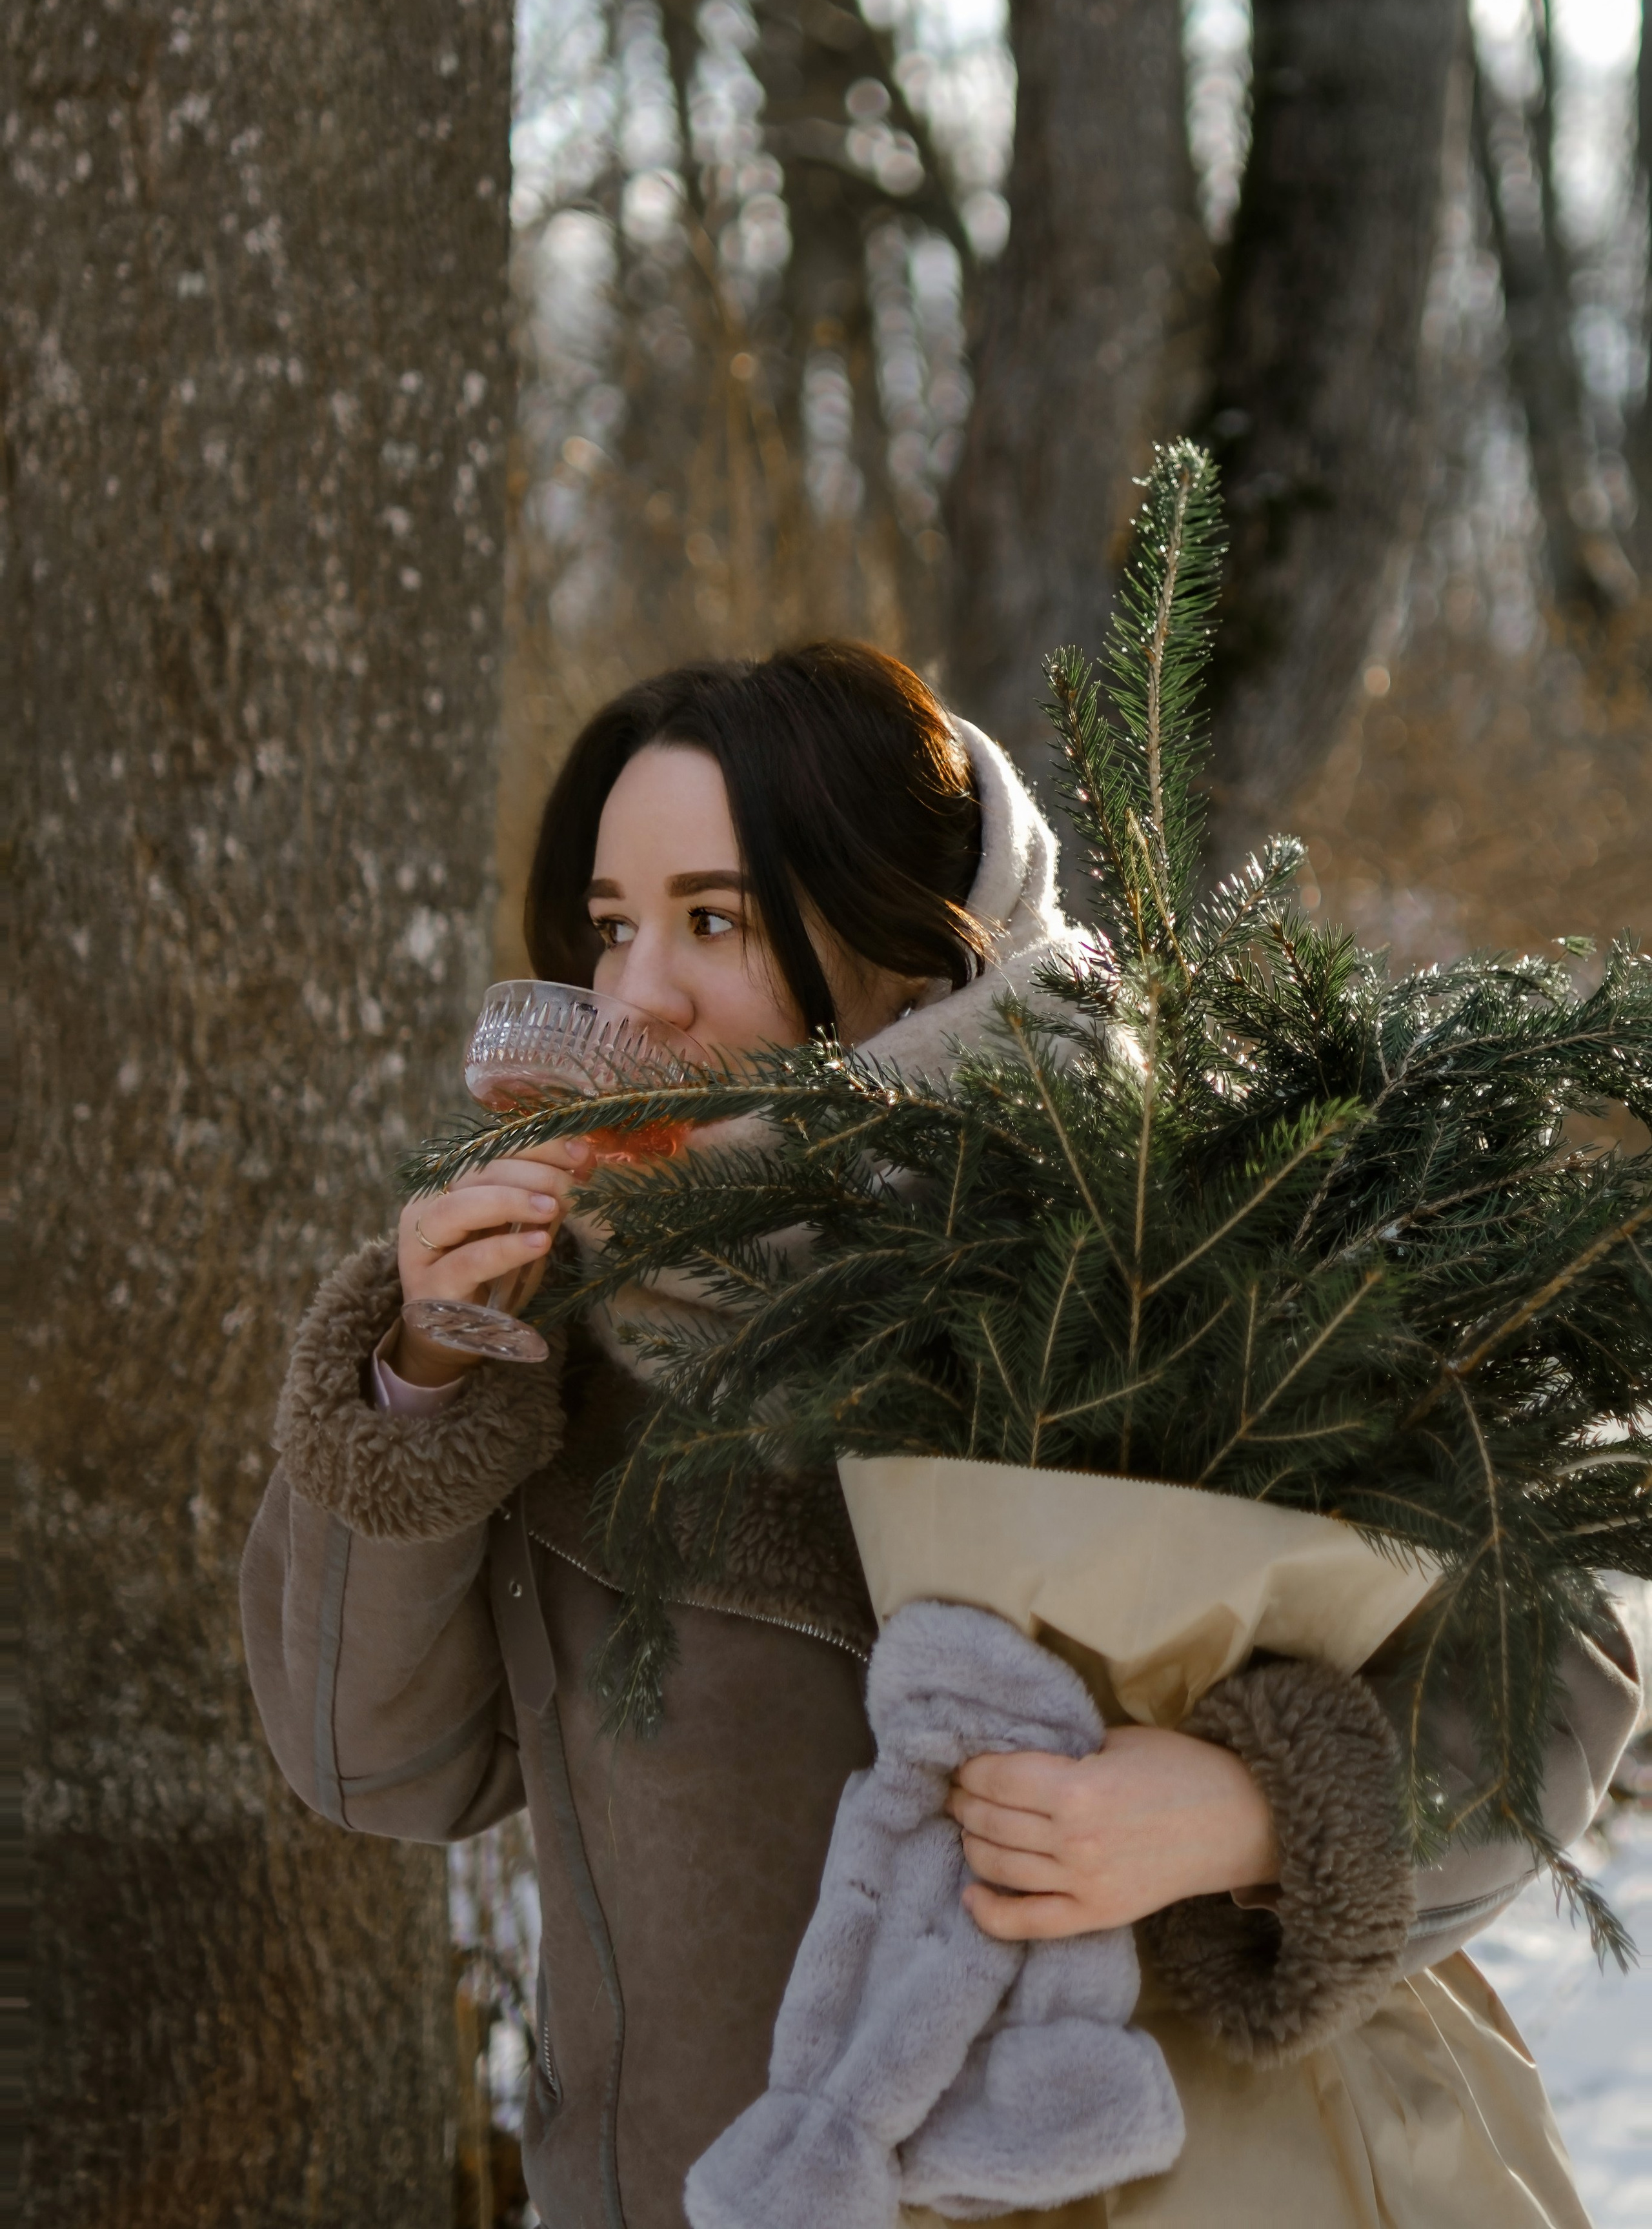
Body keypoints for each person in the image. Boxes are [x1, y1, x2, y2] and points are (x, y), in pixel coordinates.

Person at [242, 641, 1640, 2229]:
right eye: (613, 927)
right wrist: (424, 1378)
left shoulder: (1178, 1220)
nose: (636, 994)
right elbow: (374, 1766)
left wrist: (1252, 1811)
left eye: (716, 920)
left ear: (910, 933)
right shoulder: (562, 1316)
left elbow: (1549, 1660)